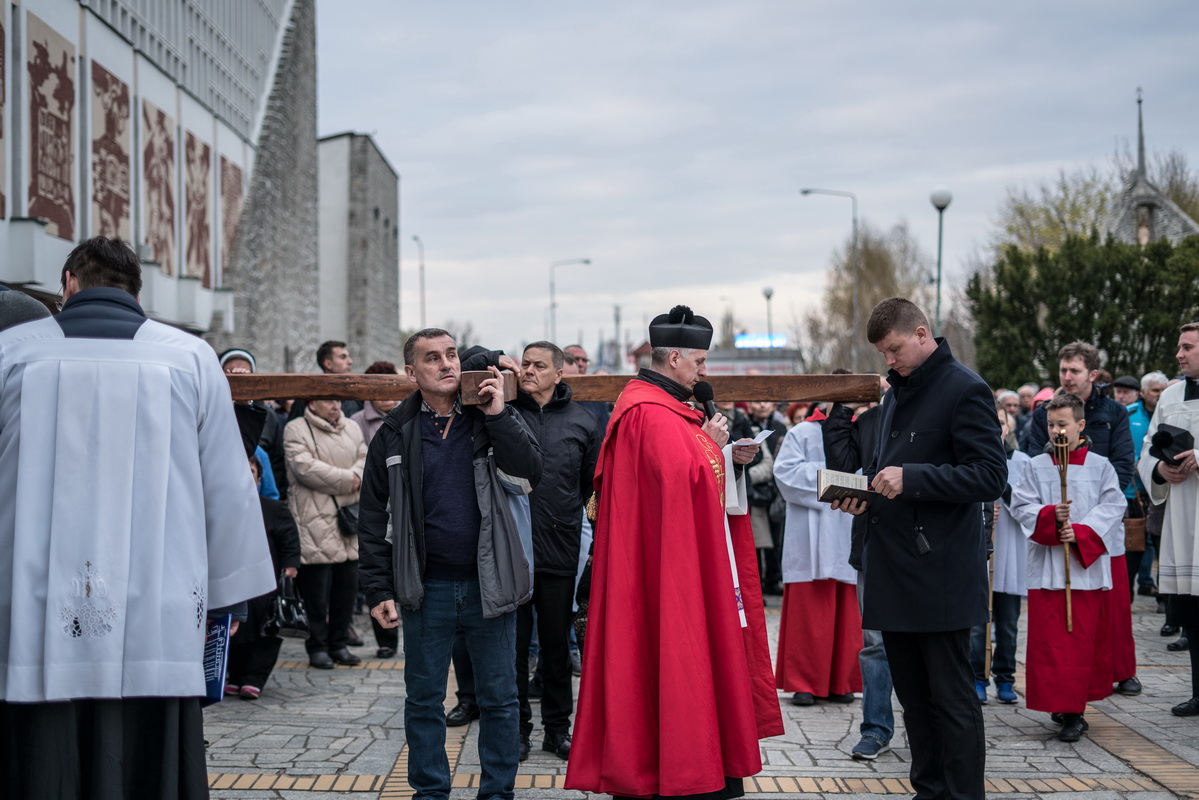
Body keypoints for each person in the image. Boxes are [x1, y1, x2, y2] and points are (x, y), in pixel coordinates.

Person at [0, 237, 275, 798]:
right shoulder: (189, 356)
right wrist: (227, 598)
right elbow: (229, 486)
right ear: (137, 290)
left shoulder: (11, 351)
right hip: (159, 599)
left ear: (68, 283)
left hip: (34, 597)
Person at [566, 305, 783, 800]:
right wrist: (709, 446)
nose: (704, 371)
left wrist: (726, 456)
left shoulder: (671, 408)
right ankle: (675, 770)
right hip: (662, 571)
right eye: (700, 362)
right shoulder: (646, 412)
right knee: (669, 657)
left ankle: (703, 761)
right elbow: (675, 480)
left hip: (679, 559)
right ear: (674, 359)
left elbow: (687, 476)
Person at [832, 298, 1006, 800]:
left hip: (939, 573)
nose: (889, 361)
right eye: (883, 354)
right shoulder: (894, 395)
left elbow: (990, 475)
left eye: (894, 349)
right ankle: (928, 791)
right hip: (892, 570)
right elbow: (883, 470)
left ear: (922, 334)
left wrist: (912, 478)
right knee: (913, 700)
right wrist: (862, 495)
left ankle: (963, 795)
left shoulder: (965, 388)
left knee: (951, 699)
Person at [358, 328, 542, 800]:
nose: (446, 364)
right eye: (433, 358)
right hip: (425, 588)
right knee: (423, 701)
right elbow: (373, 516)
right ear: (411, 372)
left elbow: (529, 472)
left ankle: (497, 793)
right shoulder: (395, 432)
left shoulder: (489, 417)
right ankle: (430, 793)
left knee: (500, 699)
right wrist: (378, 588)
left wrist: (499, 414)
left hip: (490, 584)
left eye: (452, 355)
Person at [1011, 393, 1125, 741]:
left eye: (1063, 424)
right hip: (1048, 571)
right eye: (1050, 424)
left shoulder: (1100, 466)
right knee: (1051, 644)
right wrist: (1049, 516)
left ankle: (1075, 711)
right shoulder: (1036, 466)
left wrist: (1080, 532)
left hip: (1085, 572)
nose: (1056, 430)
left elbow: (1113, 506)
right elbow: (1022, 506)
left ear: (1080, 425)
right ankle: (1058, 703)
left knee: (1080, 643)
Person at [511, 341, 601, 760]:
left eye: (539, 366)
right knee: (513, 648)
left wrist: (593, 538)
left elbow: (591, 489)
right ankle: (516, 729)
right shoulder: (506, 413)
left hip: (560, 547)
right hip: (511, 550)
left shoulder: (582, 421)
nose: (529, 371)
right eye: (525, 364)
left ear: (559, 374)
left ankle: (557, 729)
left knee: (556, 648)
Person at [773, 403, 863, 707]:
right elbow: (784, 473)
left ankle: (841, 680)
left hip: (847, 523)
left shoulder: (860, 430)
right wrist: (833, 478)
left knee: (848, 610)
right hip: (809, 533)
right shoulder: (801, 432)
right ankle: (805, 683)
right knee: (809, 614)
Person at [823, 376, 894, 760]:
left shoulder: (934, 415)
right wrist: (844, 407)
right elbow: (842, 464)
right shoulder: (871, 420)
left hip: (924, 550)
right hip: (872, 545)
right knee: (876, 644)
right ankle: (876, 728)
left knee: (926, 645)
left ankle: (933, 729)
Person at [1137, 322, 1199, 717]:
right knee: (1192, 613)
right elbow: (1148, 449)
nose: (1179, 354)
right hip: (1182, 515)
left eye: (1188, 347)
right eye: (1179, 346)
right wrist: (1160, 469)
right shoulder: (1172, 396)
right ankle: (1198, 692)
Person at [284, 397, 367, 669]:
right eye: (328, 400)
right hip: (313, 522)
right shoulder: (296, 428)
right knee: (316, 594)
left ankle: (339, 644)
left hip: (347, 521)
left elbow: (365, 459)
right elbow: (305, 469)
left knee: (346, 590)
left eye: (337, 399)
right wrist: (350, 480)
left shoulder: (351, 427)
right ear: (312, 402)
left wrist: (354, 477)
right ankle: (317, 646)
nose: (335, 405)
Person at [226, 455, 302, 700]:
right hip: (234, 581)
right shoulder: (223, 508)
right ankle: (235, 677)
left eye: (252, 471)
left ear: (259, 478)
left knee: (266, 629)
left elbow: (289, 538)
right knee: (236, 629)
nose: (247, 476)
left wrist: (290, 565)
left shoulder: (273, 508)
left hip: (266, 583)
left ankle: (254, 679)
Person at [970, 410, 1031, 705]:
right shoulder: (970, 458)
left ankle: (1005, 677)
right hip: (979, 550)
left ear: (1010, 427)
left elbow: (1029, 503)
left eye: (1002, 423)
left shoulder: (1023, 462)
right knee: (977, 623)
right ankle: (977, 676)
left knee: (1007, 623)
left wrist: (1001, 491)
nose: (996, 428)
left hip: (1010, 550)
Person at [349, 360, 403, 658]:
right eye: (378, 388)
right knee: (378, 568)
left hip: (404, 502)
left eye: (389, 386)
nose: (385, 395)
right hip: (373, 498)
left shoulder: (409, 417)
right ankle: (386, 638)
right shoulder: (357, 421)